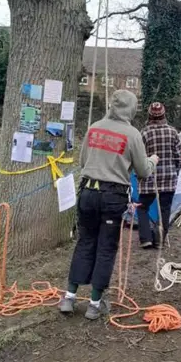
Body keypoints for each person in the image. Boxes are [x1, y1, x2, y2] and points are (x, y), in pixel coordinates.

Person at [60, 90, 159, 320]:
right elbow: (143, 171)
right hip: (113, 197)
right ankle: (95, 304)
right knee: (105, 246)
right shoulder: (132, 134)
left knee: (85, 242)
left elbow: (83, 161)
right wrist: (152, 161)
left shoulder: (94, 128)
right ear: (132, 109)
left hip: (87, 192)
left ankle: (69, 298)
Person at [137, 102, 181, 249]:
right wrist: (175, 172)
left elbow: (139, 157)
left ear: (149, 115)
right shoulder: (173, 132)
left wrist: (139, 176)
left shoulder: (143, 133)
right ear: (164, 115)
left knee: (142, 208)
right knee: (165, 208)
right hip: (169, 179)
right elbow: (179, 157)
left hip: (149, 179)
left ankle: (146, 239)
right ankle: (159, 240)